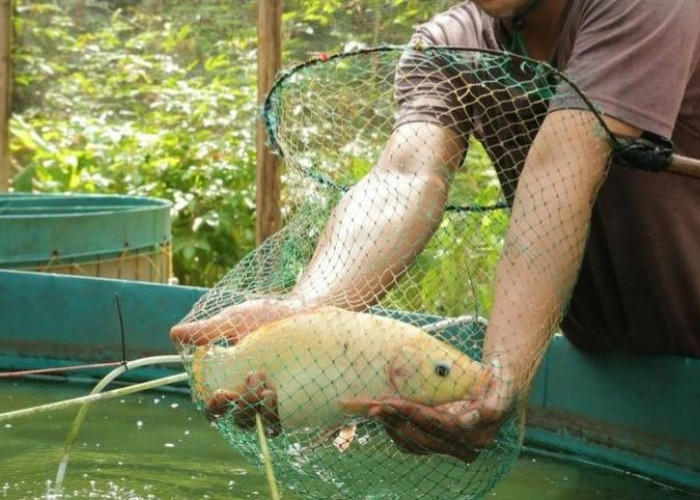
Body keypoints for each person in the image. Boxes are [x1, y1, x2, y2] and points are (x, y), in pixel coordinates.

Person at [172, 0, 700, 462]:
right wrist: (305, 315)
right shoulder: (450, 44)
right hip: (614, 368)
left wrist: (502, 374)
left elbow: (559, 173)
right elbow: (403, 177)